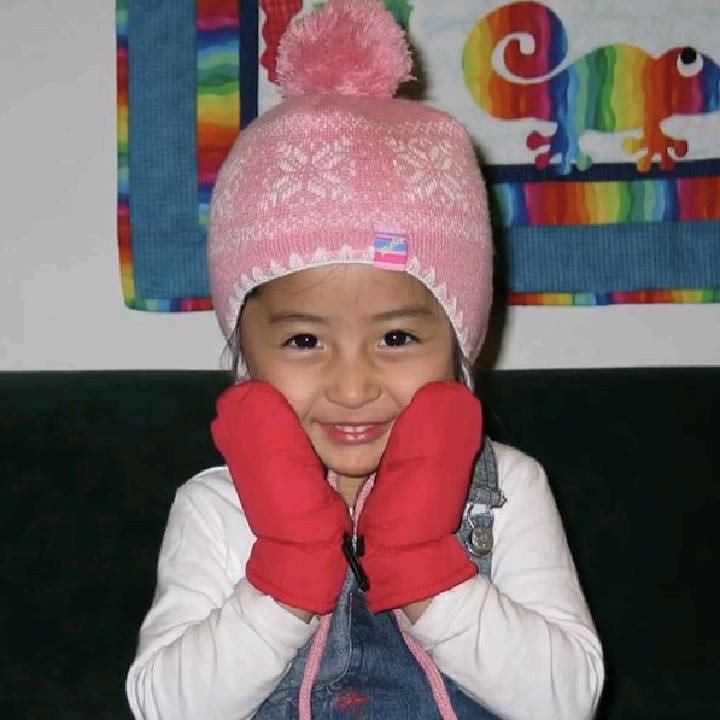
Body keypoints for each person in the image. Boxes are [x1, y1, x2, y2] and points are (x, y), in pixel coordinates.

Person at [125, 1, 604, 718]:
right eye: (304, 342)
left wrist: (429, 573)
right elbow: (162, 707)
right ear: (244, 353)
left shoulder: (506, 490)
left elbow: (566, 700)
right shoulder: (217, 505)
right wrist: (284, 575)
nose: (352, 386)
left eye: (397, 339)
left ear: (460, 341)